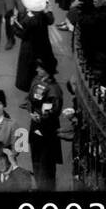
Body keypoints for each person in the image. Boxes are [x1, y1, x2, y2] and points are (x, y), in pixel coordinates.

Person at [26, 62, 64, 190]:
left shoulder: (54, 89)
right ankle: (39, 183)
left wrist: (41, 117)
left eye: (40, 68)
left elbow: (54, 111)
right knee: (36, 158)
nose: (37, 70)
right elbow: (29, 98)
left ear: (47, 70)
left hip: (47, 129)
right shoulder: (37, 80)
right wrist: (31, 111)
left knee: (46, 162)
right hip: (35, 125)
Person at [12, 0, 57, 94]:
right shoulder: (43, 13)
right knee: (43, 66)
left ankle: (31, 90)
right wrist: (48, 11)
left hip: (30, 48)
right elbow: (50, 20)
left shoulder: (29, 19)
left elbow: (22, 34)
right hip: (43, 44)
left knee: (29, 71)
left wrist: (13, 25)